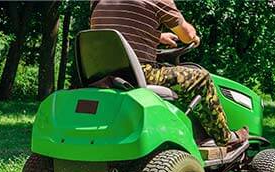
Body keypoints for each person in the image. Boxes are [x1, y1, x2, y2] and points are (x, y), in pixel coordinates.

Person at [90, 0, 248, 146]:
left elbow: (117, 28)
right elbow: (186, 35)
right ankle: (225, 137)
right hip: (138, 74)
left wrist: (157, 37)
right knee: (201, 79)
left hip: (99, 74)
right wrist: (193, 35)